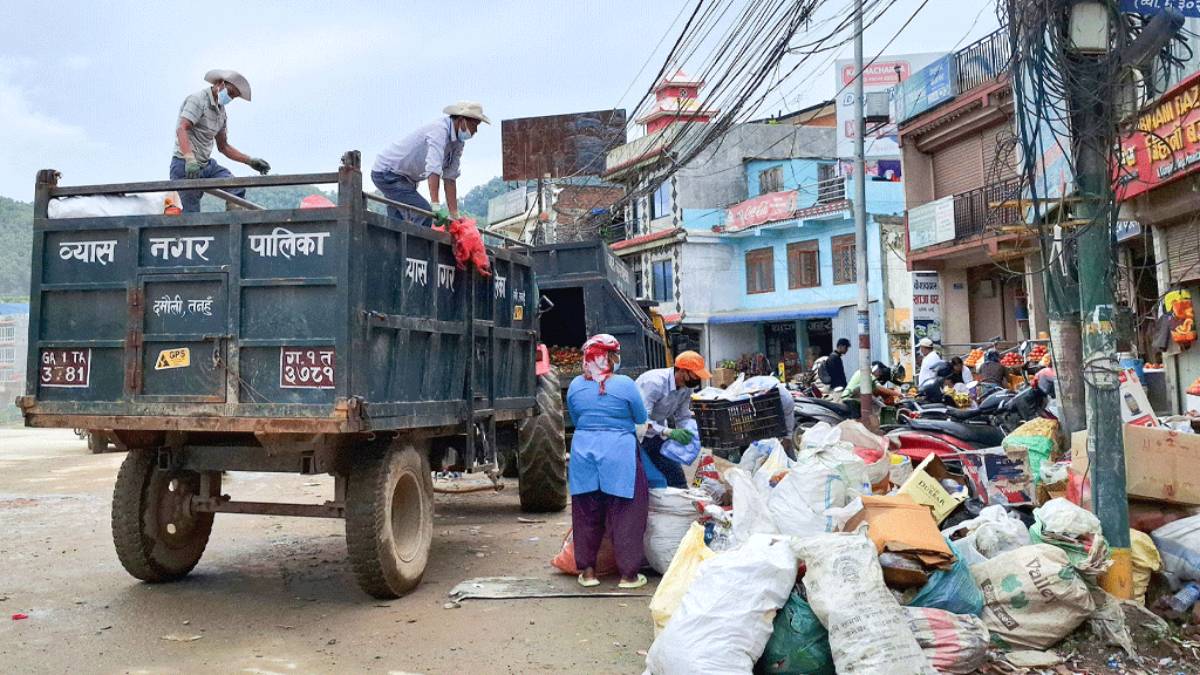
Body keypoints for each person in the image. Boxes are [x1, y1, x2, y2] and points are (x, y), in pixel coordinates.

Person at [565, 334, 650, 589]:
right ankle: (628, 576)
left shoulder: (575, 386)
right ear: (610, 358)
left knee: (586, 513)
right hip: (619, 454)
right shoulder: (625, 385)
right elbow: (640, 416)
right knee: (627, 514)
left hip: (583, 454)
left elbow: (576, 417)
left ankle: (589, 573)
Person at [371, 101, 490, 226]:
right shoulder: (439, 130)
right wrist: (435, 205)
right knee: (424, 214)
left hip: (407, 180)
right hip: (387, 173)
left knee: (397, 224)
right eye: (474, 125)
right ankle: (419, 245)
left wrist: (454, 215)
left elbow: (450, 177)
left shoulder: (458, 143)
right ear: (462, 120)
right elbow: (433, 168)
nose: (475, 130)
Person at [171, 69, 271, 213]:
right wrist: (189, 159)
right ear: (220, 84)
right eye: (230, 93)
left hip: (205, 165)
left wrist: (249, 161)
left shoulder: (221, 112)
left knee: (235, 187)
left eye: (233, 97)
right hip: (184, 164)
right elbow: (182, 129)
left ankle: (234, 226)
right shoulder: (198, 100)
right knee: (191, 212)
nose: (229, 98)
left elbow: (223, 146)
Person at [635, 351, 711, 489]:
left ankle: (680, 506)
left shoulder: (687, 389)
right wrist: (668, 432)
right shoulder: (654, 382)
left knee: (676, 477)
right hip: (636, 435)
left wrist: (689, 432)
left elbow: (683, 416)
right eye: (696, 374)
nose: (698, 379)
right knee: (648, 478)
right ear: (682, 371)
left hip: (656, 433)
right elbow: (641, 421)